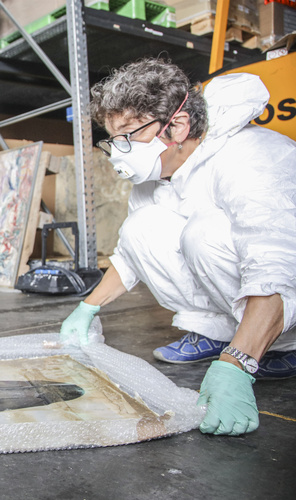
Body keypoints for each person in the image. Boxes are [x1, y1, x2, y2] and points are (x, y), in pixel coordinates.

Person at [60, 58, 296, 436]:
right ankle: (218, 332)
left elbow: (278, 264)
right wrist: (86, 309)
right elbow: (129, 253)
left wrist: (236, 364)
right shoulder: (155, 177)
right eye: (112, 139)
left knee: (203, 232)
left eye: (128, 136)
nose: (117, 151)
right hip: (246, 294)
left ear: (178, 126)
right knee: (143, 227)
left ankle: (278, 347)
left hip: (287, 296)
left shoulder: (250, 155)